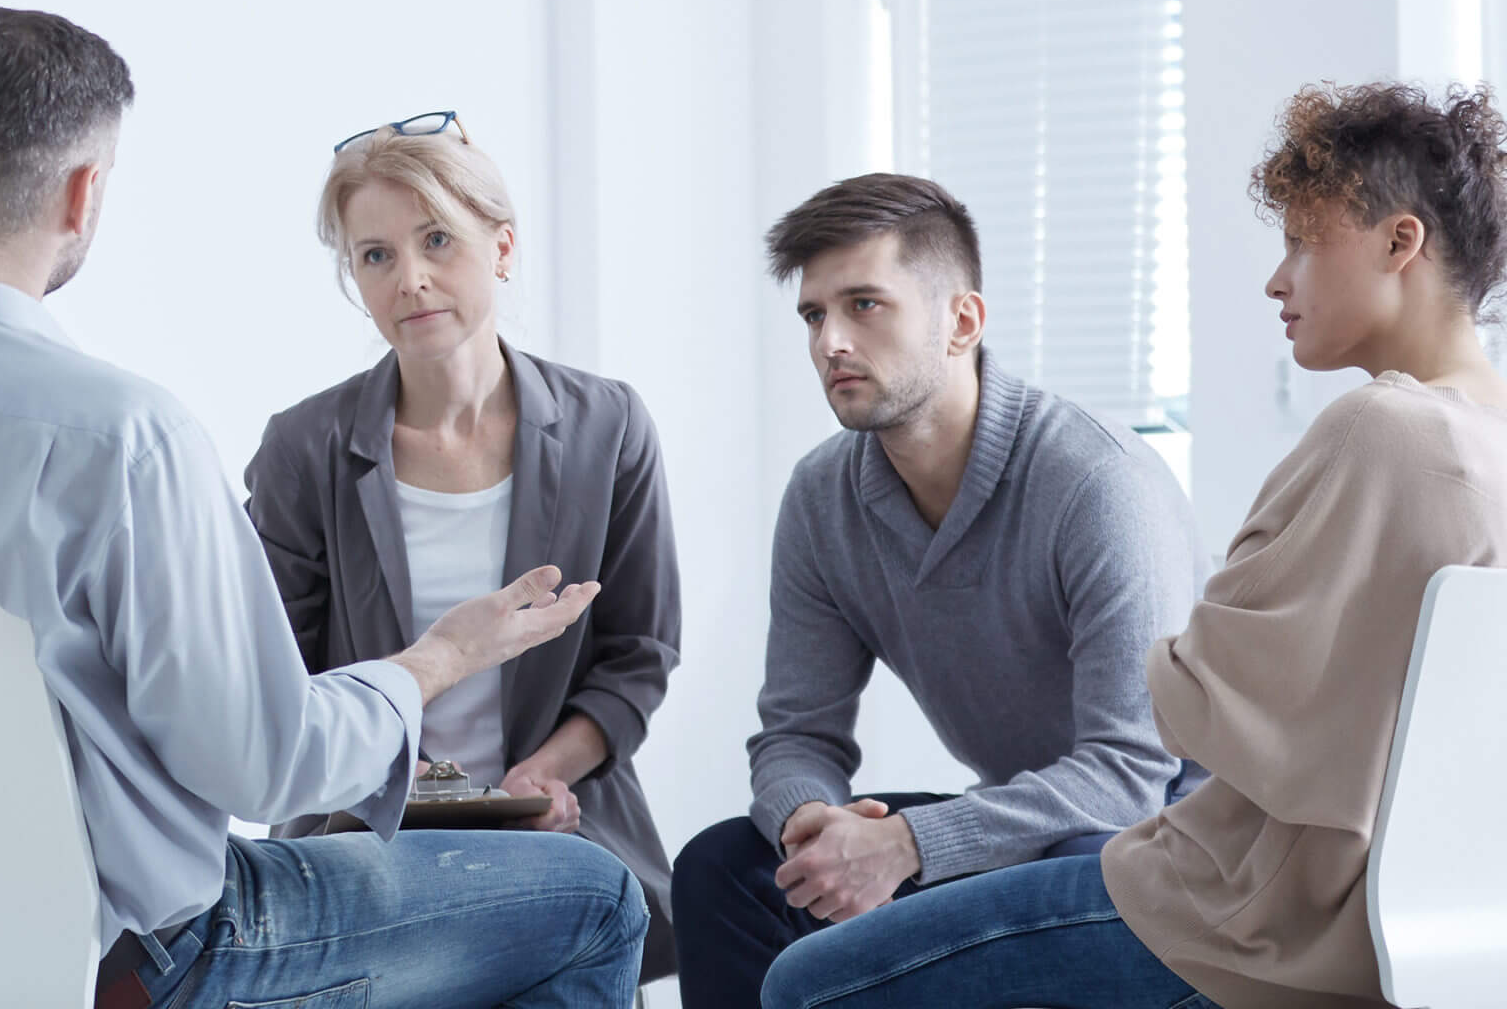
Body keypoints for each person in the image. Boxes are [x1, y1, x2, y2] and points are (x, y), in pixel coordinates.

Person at [0, 7, 648, 1009]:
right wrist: (435, 661)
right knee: (594, 898)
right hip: (147, 968)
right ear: (82, 190)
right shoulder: (124, 437)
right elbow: (267, 768)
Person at [759, 81, 1507, 1009]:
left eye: (1304, 244)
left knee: (802, 984)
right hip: (1411, 914)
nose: (1278, 279)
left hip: (1229, 911)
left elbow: (1191, 698)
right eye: (812, 316)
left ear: (1401, 243)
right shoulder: (1487, 436)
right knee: (744, 872)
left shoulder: (1381, 431)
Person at [670, 173, 1201, 1009]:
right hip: (1033, 823)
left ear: (962, 322)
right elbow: (796, 734)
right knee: (725, 870)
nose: (830, 342)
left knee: (1080, 866)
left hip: (1171, 838)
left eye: (865, 305)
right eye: (814, 314)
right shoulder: (821, 498)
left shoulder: (1099, 483)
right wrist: (813, 829)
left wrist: (908, 843)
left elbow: (1130, 775)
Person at [244, 110, 683, 982]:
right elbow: (273, 685)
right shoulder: (303, 447)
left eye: (436, 239)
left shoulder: (609, 426)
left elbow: (639, 655)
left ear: (503, 249)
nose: (410, 278)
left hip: (561, 830)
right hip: (363, 839)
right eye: (375, 256)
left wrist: (541, 777)